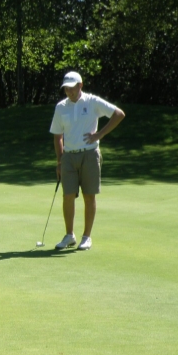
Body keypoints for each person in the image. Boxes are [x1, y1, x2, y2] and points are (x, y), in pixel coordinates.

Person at [49, 71, 125, 251]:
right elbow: (57, 136)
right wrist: (59, 162)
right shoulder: (61, 107)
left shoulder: (92, 102)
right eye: (66, 88)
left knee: (89, 195)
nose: (69, 91)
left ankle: (86, 237)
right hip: (68, 156)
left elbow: (119, 114)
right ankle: (69, 235)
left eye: (72, 87)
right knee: (68, 195)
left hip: (90, 154)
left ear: (80, 85)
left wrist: (100, 134)